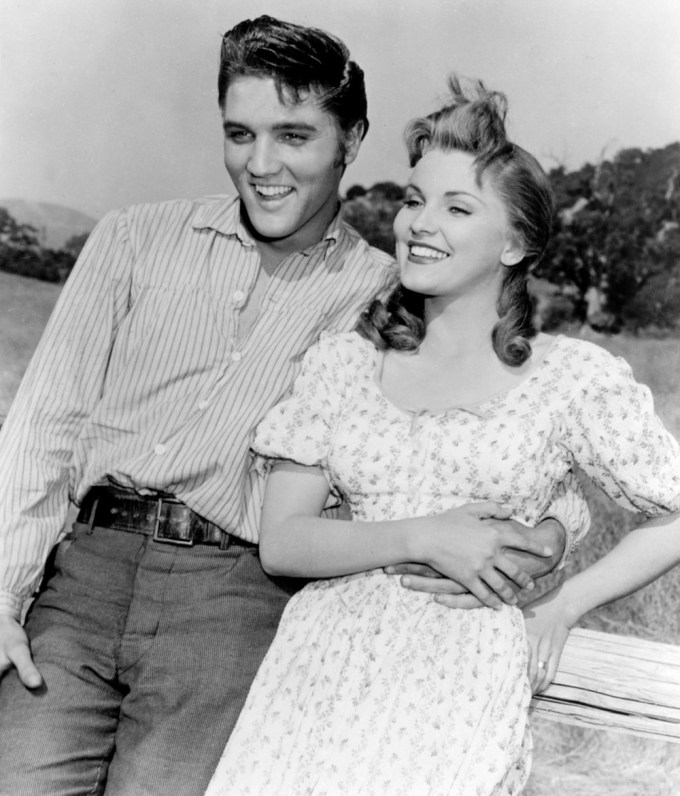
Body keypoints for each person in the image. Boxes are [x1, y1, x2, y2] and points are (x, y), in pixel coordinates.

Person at [0, 18, 581, 796]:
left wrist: (548, 530)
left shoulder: (390, 294)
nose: (262, 164)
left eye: (294, 135)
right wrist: (4, 591)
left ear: (351, 139)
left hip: (235, 601)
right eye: (240, 133)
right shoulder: (132, 239)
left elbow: (500, 426)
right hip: (79, 583)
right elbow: (45, 424)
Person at [204, 75, 680, 796]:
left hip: (457, 683)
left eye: (458, 207)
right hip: (317, 677)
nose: (421, 223)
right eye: (415, 200)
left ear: (517, 243)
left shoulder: (572, 379)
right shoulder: (345, 363)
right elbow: (285, 541)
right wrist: (425, 534)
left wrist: (563, 604)